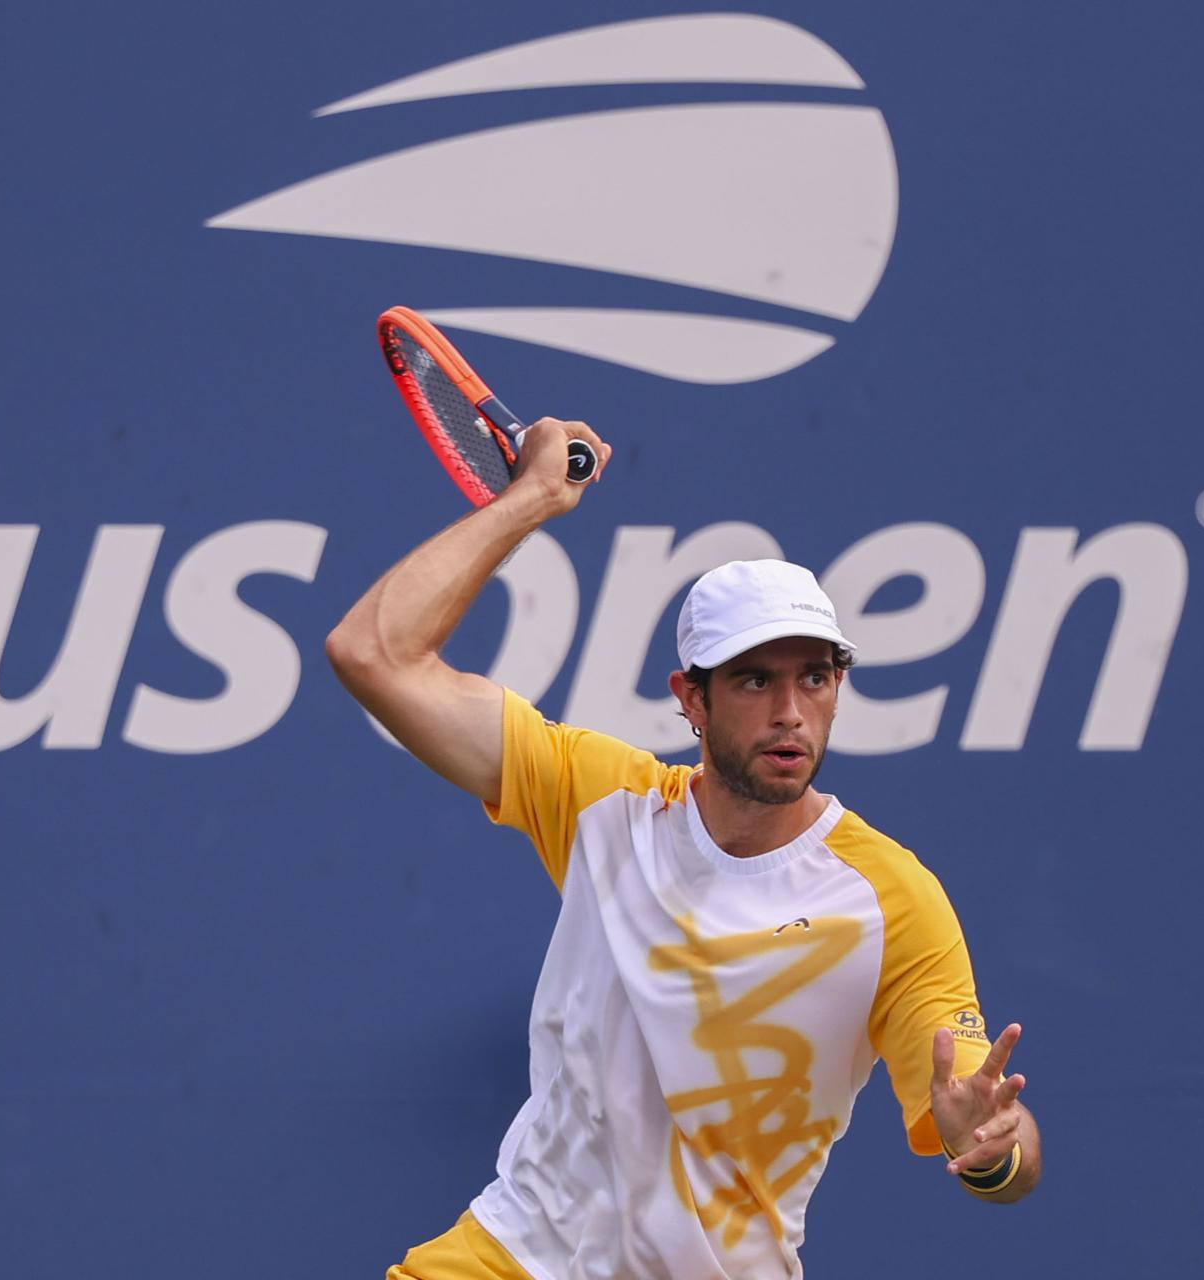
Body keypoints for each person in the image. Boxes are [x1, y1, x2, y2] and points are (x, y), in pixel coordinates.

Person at [326, 418, 1041, 1280]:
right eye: (754, 679)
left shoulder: (889, 899)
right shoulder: (601, 802)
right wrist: (531, 500)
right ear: (690, 700)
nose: (790, 711)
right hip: (511, 1257)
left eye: (814, 677)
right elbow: (374, 653)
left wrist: (990, 1146)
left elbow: (1000, 1142)